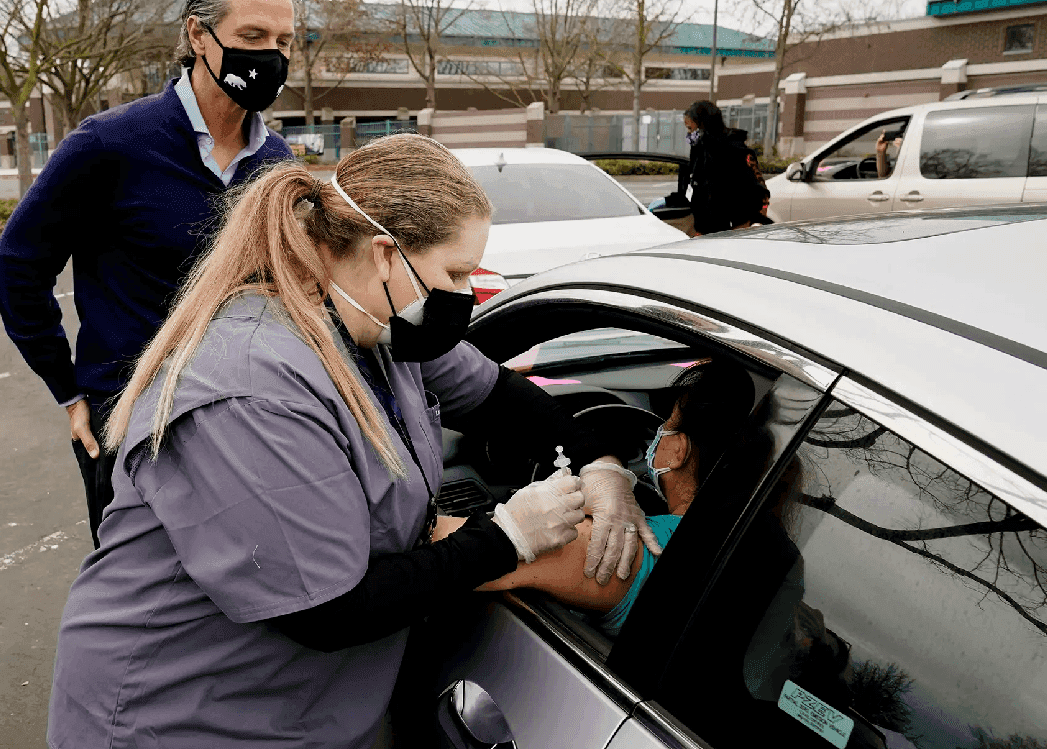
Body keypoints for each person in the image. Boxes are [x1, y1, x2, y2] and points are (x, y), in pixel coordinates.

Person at [47, 133, 661, 749]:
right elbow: (327, 611)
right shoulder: (250, 389)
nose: (465, 294)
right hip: (177, 710)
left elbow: (497, 396)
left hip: (289, 705)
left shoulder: (378, 330)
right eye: (455, 272)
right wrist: (507, 539)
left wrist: (601, 464)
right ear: (386, 254)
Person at [0, 0, 296, 549]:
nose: (271, 56)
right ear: (198, 34)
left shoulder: (276, 166)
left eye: (285, 41)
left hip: (245, 418)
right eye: (252, 35)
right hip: (131, 422)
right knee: (144, 611)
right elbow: (18, 266)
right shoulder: (109, 145)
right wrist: (72, 391)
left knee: (239, 600)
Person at [441, 359, 757, 636]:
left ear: (677, 450)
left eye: (668, 423)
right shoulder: (772, 547)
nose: (658, 434)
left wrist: (517, 523)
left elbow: (438, 550)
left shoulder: (614, 544)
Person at [674, 100, 772, 235]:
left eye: (691, 129)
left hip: (731, 226)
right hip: (709, 226)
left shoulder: (733, 150)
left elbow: (757, 188)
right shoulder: (701, 152)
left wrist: (740, 226)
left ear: (703, 125)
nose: (689, 135)